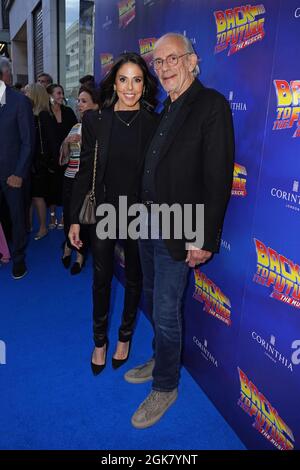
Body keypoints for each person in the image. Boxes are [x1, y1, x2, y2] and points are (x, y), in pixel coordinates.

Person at [124, 33, 235, 429]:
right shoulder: (164, 106)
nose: (165, 67)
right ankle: (161, 356)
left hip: (180, 227)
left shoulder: (211, 106)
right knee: (153, 301)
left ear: (192, 60)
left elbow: (218, 178)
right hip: (148, 223)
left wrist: (203, 237)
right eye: (159, 62)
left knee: (167, 312)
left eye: (173, 59)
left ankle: (165, 385)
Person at [69, 52, 158, 374]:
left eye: (137, 80)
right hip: (104, 209)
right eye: (123, 79)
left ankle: (124, 336)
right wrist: (76, 218)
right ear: (114, 82)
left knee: (134, 277)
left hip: (138, 212)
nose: (130, 87)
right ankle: (99, 341)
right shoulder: (96, 120)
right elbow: (85, 173)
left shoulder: (153, 123)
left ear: (145, 84)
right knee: (101, 278)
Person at [0, 58, 35, 279]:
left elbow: (28, 142)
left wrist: (19, 173)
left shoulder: (20, 102)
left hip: (12, 174)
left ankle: (18, 258)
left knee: (16, 217)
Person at [60, 86, 99, 274]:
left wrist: (86, 144)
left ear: (95, 105)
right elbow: (64, 158)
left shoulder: (99, 127)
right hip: (69, 178)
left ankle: (80, 255)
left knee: (82, 219)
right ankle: (68, 245)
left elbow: (99, 159)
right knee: (68, 215)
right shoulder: (75, 126)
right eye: (78, 101)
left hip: (86, 182)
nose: (79, 105)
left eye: (84, 101)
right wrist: (66, 143)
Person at [44, 84, 77, 229]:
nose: (61, 96)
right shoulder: (45, 114)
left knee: (66, 189)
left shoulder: (68, 111)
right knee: (51, 188)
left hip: (68, 157)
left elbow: (76, 130)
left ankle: (64, 217)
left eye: (62, 93)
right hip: (51, 159)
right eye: (58, 93)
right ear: (50, 95)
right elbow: (44, 138)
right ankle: (52, 218)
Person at [24, 83, 52, 240]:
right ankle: (28, 225)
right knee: (30, 196)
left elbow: (45, 142)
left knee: (37, 196)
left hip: (39, 163)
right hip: (32, 162)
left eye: (27, 92)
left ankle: (42, 227)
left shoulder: (42, 116)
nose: (25, 94)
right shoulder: (35, 115)